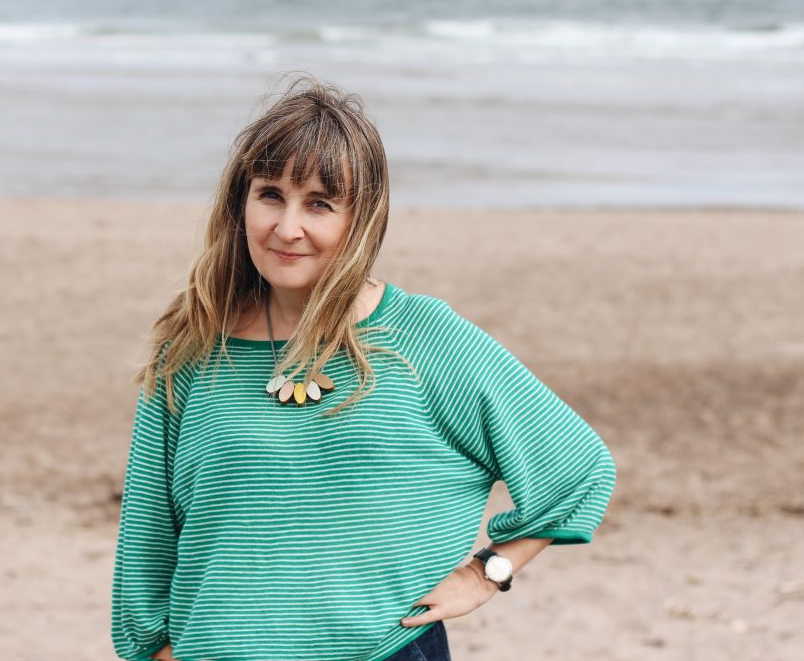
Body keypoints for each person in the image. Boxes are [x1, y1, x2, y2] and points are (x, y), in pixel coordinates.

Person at [111, 73, 617, 661]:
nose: (287, 227)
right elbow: (149, 530)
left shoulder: (425, 338)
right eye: (270, 194)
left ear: (362, 220)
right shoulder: (192, 347)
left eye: (320, 204)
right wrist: (153, 648)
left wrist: (488, 572)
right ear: (239, 203)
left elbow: (577, 469)